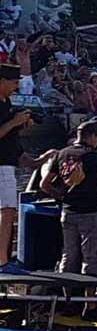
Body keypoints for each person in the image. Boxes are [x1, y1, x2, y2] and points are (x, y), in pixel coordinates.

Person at [40, 119, 97, 320]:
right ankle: (90, 306)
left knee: (68, 256)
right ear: (93, 137)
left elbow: (44, 184)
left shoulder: (62, 154)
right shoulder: (93, 156)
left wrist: (62, 196)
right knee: (91, 257)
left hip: (67, 213)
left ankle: (68, 302)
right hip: (90, 213)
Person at [0, 64, 56, 272]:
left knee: (8, 212)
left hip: (7, 165)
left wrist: (39, 161)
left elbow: (11, 147)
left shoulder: (7, 104)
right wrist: (15, 123)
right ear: (2, 81)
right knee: (7, 211)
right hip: (1, 168)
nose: (16, 87)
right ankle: (2, 262)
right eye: (13, 82)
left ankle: (3, 257)